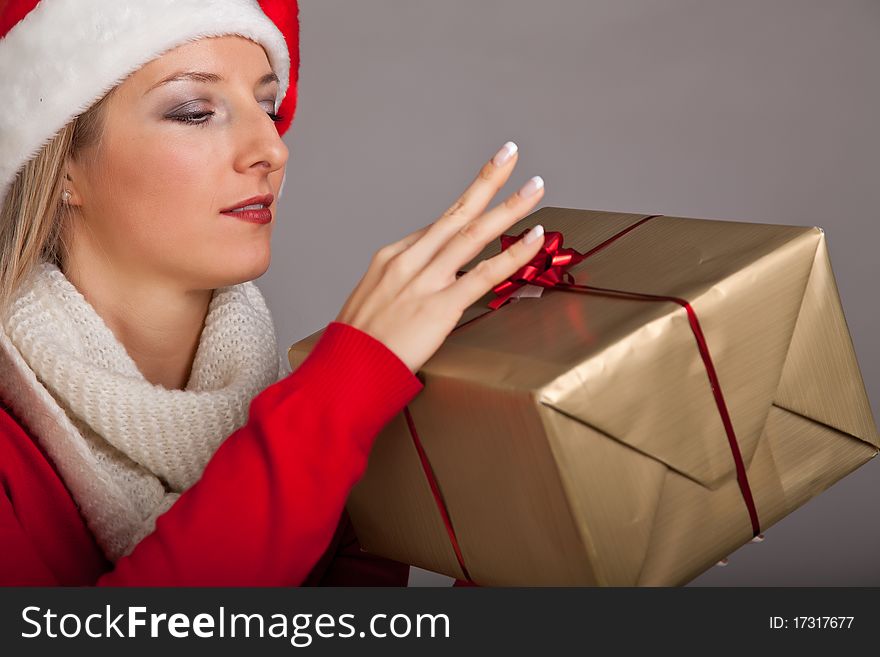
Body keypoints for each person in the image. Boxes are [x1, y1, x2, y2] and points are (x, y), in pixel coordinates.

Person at [0, 0, 547, 585]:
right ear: (59, 167)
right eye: (193, 112)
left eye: (266, 105)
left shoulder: (314, 421)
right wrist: (346, 385)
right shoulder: (321, 414)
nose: (273, 148)